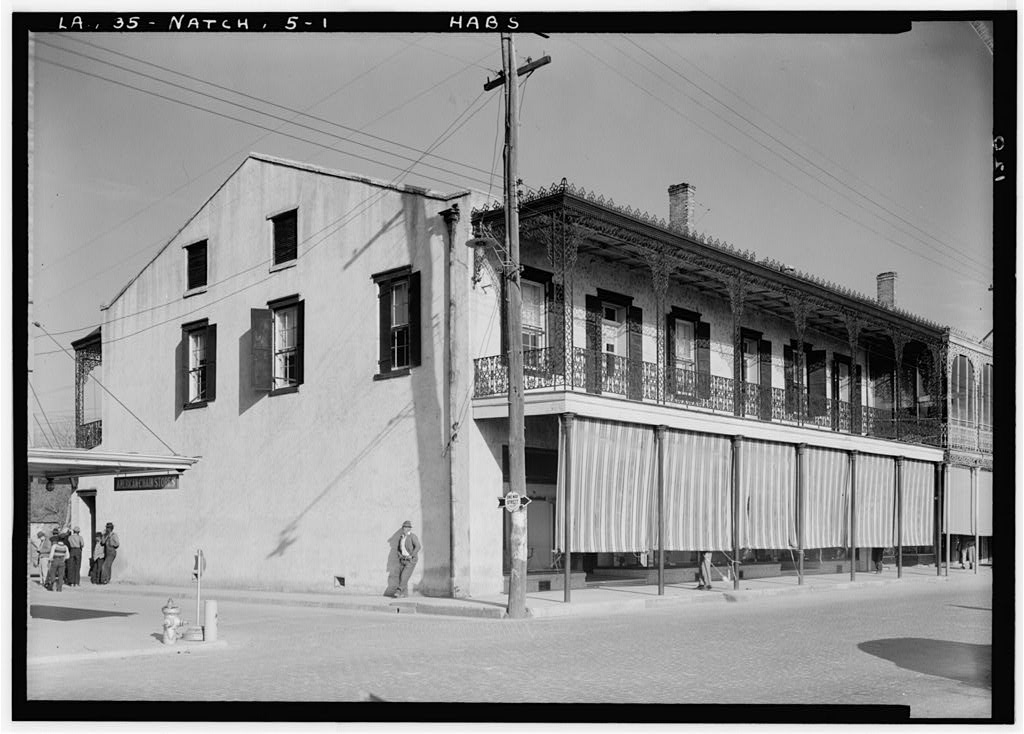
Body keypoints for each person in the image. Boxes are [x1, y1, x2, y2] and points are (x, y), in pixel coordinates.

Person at [394, 520, 420, 598]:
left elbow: (418, 546)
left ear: (409, 529)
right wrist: (400, 555)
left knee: (404, 576)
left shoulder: (412, 536)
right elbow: (399, 548)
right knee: (402, 576)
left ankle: (399, 590)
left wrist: (411, 555)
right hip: (403, 560)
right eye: (404, 527)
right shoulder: (401, 537)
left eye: (406, 527)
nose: (404, 528)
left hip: (410, 560)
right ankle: (404, 594)